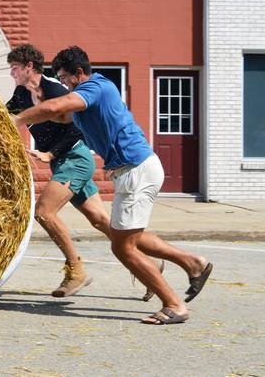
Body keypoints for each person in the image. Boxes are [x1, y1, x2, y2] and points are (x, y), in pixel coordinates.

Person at [12, 46, 213, 325]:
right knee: (125, 236)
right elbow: (58, 116)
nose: (63, 83)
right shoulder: (84, 101)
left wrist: (19, 119)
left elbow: (57, 107)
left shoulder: (96, 86)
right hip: (129, 170)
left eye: (65, 77)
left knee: (123, 248)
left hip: (137, 169)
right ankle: (193, 263)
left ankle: (174, 305)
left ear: (79, 73)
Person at [5, 44, 161, 300]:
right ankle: (150, 265)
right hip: (62, 164)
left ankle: (76, 271)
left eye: (14, 68)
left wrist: (50, 154)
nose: (11, 73)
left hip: (74, 158)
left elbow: (78, 129)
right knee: (102, 222)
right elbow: (5, 113)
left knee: (44, 213)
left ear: (28, 67)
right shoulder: (21, 94)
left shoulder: (56, 89)